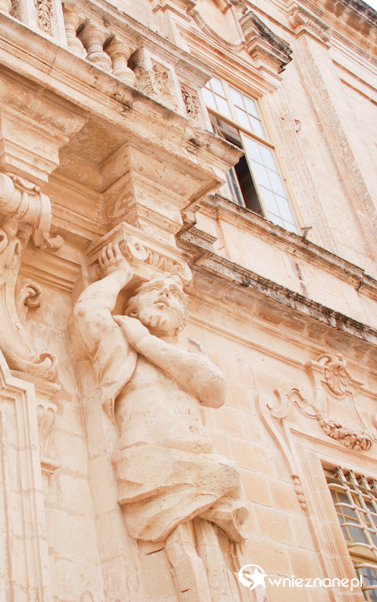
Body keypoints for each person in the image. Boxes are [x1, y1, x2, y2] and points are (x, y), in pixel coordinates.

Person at [69, 243, 248, 601]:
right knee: (181, 566)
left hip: (206, 469)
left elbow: (214, 390)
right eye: (154, 291)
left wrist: (147, 343)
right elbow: (88, 312)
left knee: (217, 570)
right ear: (133, 307)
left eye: (175, 295)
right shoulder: (119, 343)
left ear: (184, 317)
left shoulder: (189, 351)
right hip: (152, 467)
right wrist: (120, 274)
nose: (166, 296)